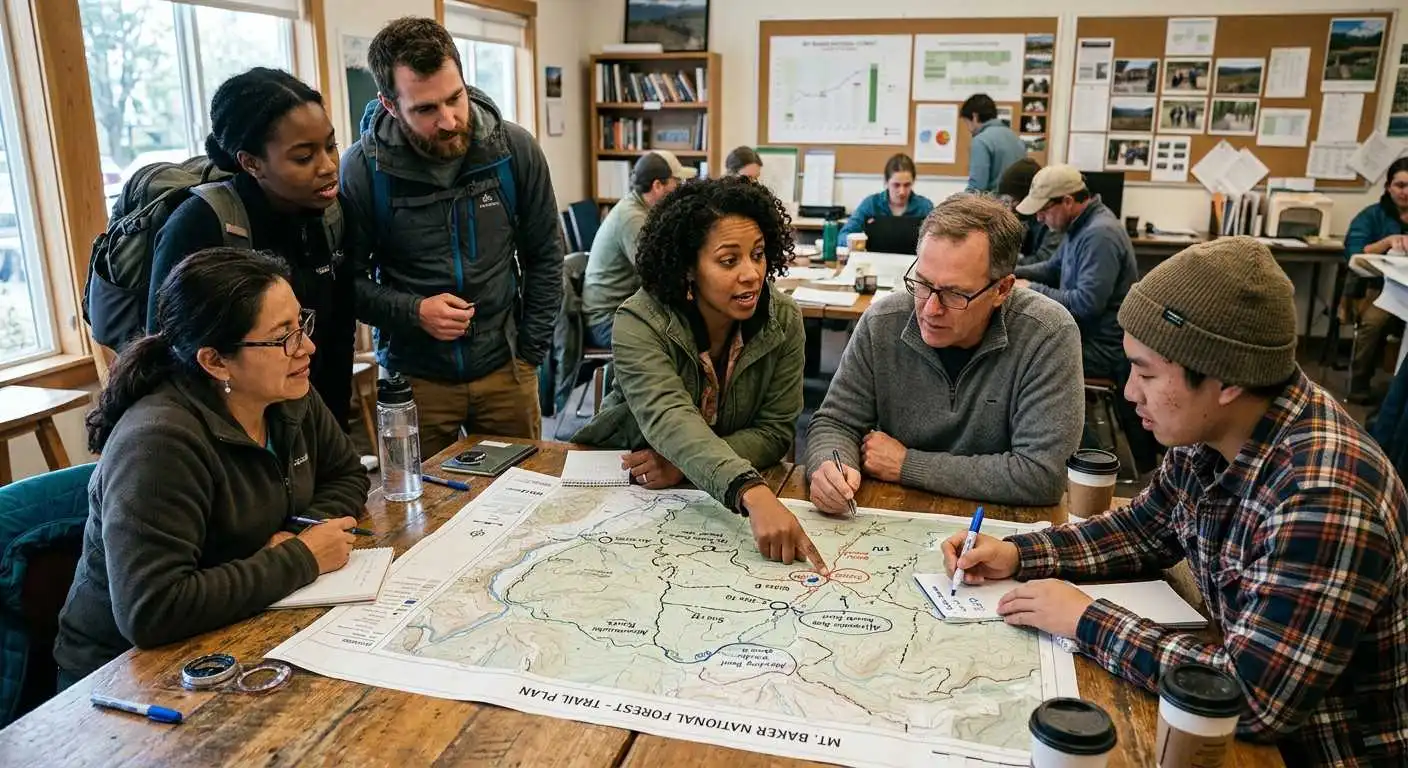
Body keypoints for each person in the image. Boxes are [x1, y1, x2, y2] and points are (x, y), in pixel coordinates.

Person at [941, 237, 1408, 767]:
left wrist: (1086, 619)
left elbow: (1250, 700)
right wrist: (1019, 554)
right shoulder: (1213, 430)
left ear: (1226, 380)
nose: (1129, 393)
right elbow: (1146, 527)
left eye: (1145, 372)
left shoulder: (1324, 497)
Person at [55, 249, 370, 685]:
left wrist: (301, 533)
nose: (307, 346)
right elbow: (151, 610)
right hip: (124, 679)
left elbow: (347, 474)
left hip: (237, 626)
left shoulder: (285, 390)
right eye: (283, 337)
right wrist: (301, 557)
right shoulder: (158, 443)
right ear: (215, 360)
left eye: (302, 324)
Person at [573, 177, 823, 571]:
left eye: (758, 254)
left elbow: (776, 431)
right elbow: (670, 419)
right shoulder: (640, 320)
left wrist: (683, 466)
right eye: (729, 261)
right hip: (628, 485)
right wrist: (751, 491)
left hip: (692, 491)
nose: (752, 274)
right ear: (689, 267)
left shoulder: (784, 319)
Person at [341, 16, 562, 457]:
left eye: (455, 98)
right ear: (389, 104)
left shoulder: (514, 150)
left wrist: (529, 355)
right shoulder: (364, 170)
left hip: (506, 368)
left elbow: (546, 255)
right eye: (425, 109)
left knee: (522, 498)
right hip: (416, 378)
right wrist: (414, 311)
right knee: (419, 513)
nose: (449, 120)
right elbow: (347, 282)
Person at [806, 195, 1083, 510]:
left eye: (955, 294)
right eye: (922, 284)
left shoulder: (1047, 333)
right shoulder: (882, 322)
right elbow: (835, 423)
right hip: (894, 514)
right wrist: (832, 465)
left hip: (999, 527)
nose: (931, 309)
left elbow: (1041, 475)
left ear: (1002, 289)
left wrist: (907, 464)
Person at [151, 68, 356, 431]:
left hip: (313, 425)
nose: (327, 167)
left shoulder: (332, 215)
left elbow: (337, 332)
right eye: (303, 157)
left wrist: (333, 437)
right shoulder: (201, 225)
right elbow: (168, 357)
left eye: (330, 146)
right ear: (251, 162)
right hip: (228, 436)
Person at [1013, 164, 1136, 381]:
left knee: (1020, 356)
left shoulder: (1099, 235)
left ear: (1068, 201)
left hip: (1102, 349)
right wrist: (1012, 272)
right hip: (1082, 334)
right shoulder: (1078, 226)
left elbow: (1085, 304)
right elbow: (1052, 268)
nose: (1039, 218)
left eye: (1044, 210)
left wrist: (1030, 288)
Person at [581, 150, 696, 348]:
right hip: (606, 321)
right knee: (678, 339)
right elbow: (657, 277)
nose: (679, 189)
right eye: (676, 182)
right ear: (658, 185)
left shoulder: (642, 210)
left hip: (622, 310)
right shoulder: (633, 218)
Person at [1343, 157, 1408, 404]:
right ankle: (1359, 384)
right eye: (1400, 185)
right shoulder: (1372, 216)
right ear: (1388, 187)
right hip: (1384, 291)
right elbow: (1354, 254)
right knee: (1372, 323)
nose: (1405, 192)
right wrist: (1387, 242)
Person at [838, 153, 934, 238]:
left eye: (907, 185)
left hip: (914, 258)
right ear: (886, 182)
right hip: (874, 257)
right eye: (896, 185)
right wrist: (857, 244)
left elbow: (939, 239)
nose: (902, 191)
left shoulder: (925, 207)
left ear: (913, 182)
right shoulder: (871, 204)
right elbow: (844, 234)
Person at [996, 158, 1061, 267]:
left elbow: (1043, 262)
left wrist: (1002, 265)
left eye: (1014, 202)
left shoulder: (1052, 219)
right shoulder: (1023, 219)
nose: (1010, 208)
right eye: (1006, 201)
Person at [960, 93, 1028, 194]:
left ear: (974, 117)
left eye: (966, 122)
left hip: (993, 206)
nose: (968, 129)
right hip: (1018, 204)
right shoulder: (1015, 138)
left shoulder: (981, 141)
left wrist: (956, 205)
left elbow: (977, 187)